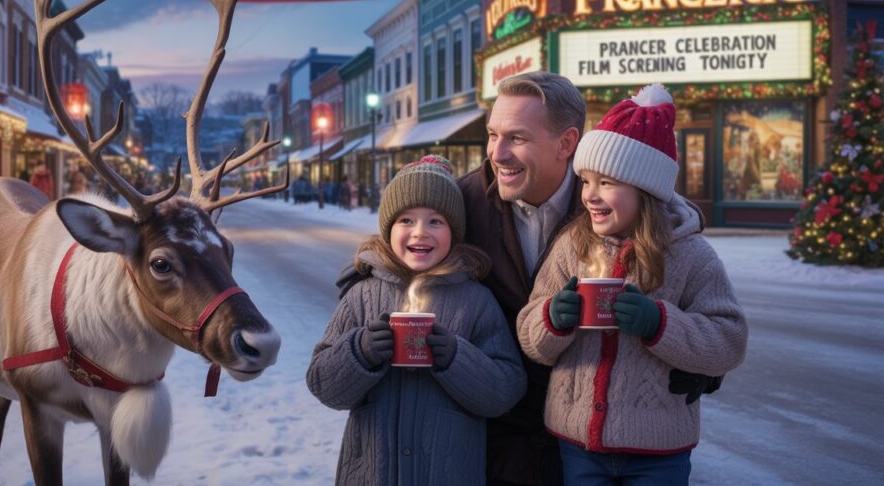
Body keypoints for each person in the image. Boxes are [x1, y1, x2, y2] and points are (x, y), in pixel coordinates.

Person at [455, 71, 721, 486]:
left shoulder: (613, 203)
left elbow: (683, 258)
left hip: (593, 436)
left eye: (517, 138)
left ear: (566, 144)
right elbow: (397, 256)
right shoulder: (463, 202)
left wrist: (695, 356)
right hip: (499, 429)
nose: (497, 153)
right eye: (493, 135)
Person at [516, 84, 748, 485]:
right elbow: (528, 333)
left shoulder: (689, 254)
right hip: (578, 445)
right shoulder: (573, 245)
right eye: (585, 181)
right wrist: (553, 318)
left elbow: (728, 340)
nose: (590, 195)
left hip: (659, 450)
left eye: (606, 183)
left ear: (646, 190)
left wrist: (660, 324)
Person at [308, 155, 527, 486]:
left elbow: (505, 390)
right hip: (372, 475)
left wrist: (456, 357)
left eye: (436, 221)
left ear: (454, 230)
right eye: (406, 220)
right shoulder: (362, 295)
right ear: (388, 228)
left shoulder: (476, 300)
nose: (420, 232)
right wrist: (361, 352)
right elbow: (323, 385)